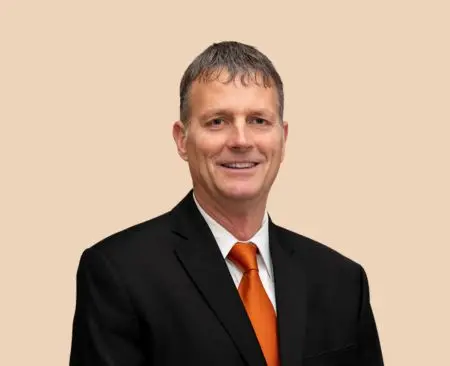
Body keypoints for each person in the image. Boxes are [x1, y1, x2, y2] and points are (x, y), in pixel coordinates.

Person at [69, 41, 384, 366]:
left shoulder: (343, 282)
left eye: (259, 121)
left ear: (283, 138)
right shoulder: (119, 273)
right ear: (182, 139)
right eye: (217, 121)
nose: (241, 140)